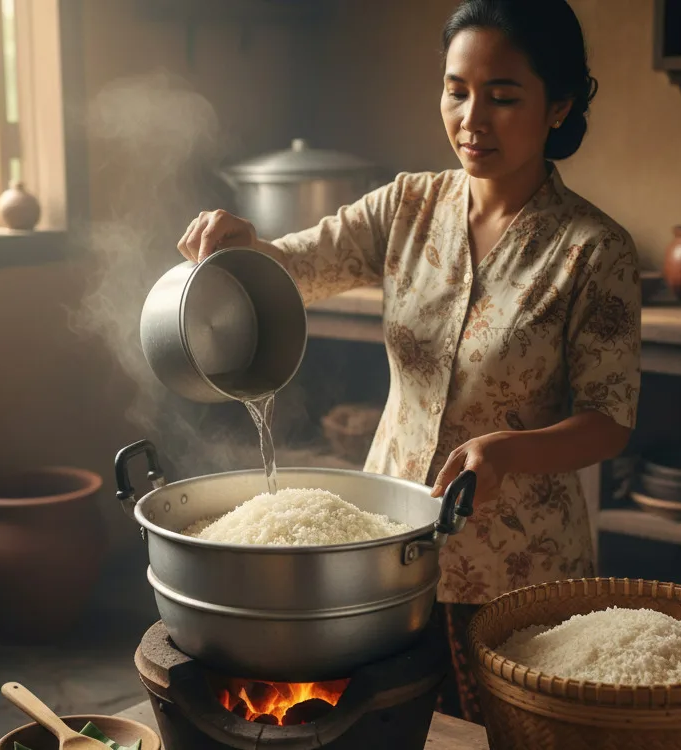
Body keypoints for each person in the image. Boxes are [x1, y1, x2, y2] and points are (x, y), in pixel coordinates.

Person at [177, 0, 641, 724]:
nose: (472, 119)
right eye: (457, 91)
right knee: (384, 728)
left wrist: (506, 451)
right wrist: (245, 245)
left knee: (502, 734)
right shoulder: (408, 206)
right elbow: (297, 266)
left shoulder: (593, 249)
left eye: (503, 96)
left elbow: (608, 422)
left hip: (517, 562)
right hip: (387, 547)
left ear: (558, 106)